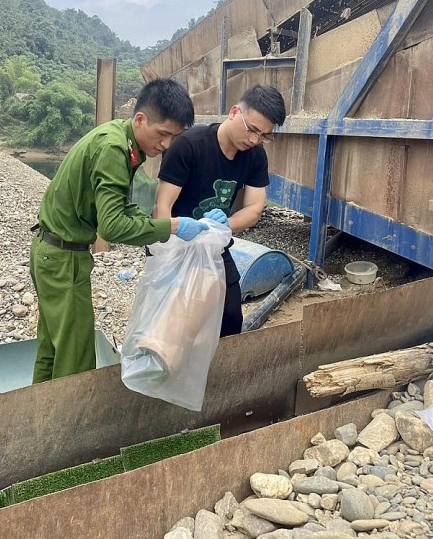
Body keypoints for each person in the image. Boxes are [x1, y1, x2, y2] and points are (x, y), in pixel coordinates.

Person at [30, 78, 210, 383]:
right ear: (140, 119)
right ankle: (68, 426)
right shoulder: (114, 149)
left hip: (51, 253)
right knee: (75, 356)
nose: (166, 145)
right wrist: (173, 226)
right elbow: (112, 226)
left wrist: (154, 224)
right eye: (163, 134)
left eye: (174, 138)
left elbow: (118, 208)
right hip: (63, 261)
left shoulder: (121, 138)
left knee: (52, 348)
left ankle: (39, 420)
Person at [154, 84, 287, 337]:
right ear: (234, 112)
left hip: (214, 244)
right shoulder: (188, 145)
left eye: (264, 135)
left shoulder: (255, 155)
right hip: (176, 244)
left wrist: (225, 224)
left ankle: (219, 372)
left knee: (230, 315)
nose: (254, 140)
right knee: (174, 321)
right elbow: (162, 207)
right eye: (252, 130)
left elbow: (255, 207)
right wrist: (169, 247)